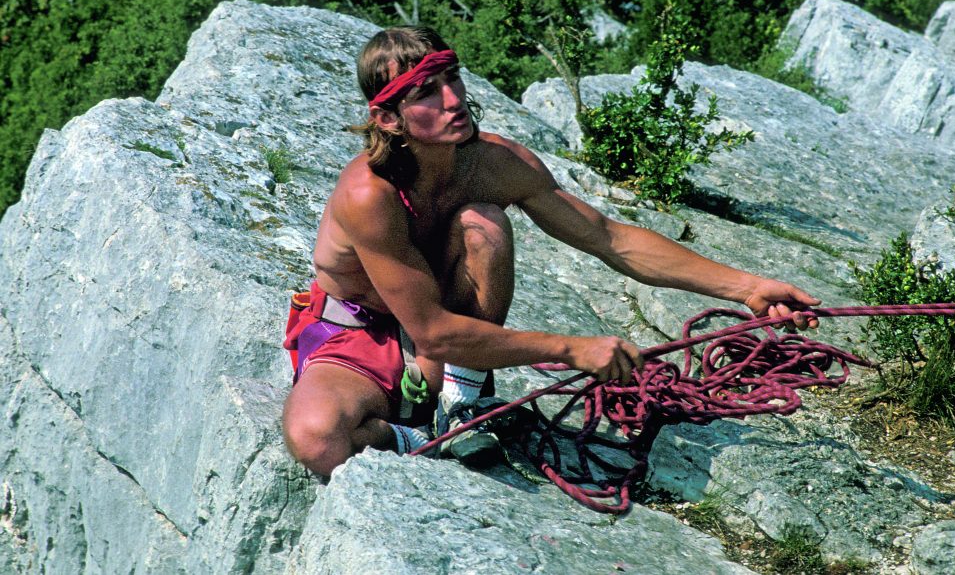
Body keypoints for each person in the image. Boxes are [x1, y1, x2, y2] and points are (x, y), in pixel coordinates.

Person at [281, 26, 820, 476]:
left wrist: (748, 288)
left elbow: (607, 238)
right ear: (389, 119)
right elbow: (432, 331)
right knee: (316, 441)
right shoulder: (369, 195)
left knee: (483, 223)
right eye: (427, 93)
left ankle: (460, 400)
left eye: (453, 80)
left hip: (443, 331)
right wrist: (571, 349)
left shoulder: (494, 163)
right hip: (363, 330)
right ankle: (411, 430)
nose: (453, 101)